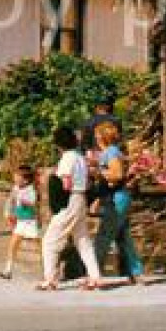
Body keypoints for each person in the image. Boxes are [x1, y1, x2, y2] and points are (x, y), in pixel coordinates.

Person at [38, 125, 103, 292]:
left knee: (50, 241)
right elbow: (87, 180)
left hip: (69, 200)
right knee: (83, 241)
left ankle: (50, 279)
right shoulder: (80, 157)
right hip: (81, 198)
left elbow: (65, 182)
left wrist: (59, 200)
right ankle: (95, 277)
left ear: (58, 143)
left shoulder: (67, 158)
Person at [92, 121, 146, 285]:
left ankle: (94, 274)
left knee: (104, 236)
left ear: (102, 136)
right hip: (116, 196)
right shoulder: (111, 152)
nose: (95, 137)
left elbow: (118, 174)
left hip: (117, 198)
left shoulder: (111, 152)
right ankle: (136, 273)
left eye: (97, 134)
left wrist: (99, 172)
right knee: (123, 236)